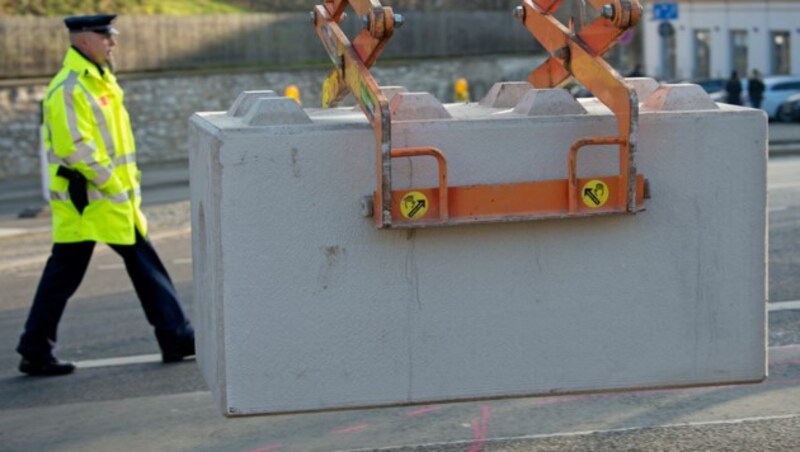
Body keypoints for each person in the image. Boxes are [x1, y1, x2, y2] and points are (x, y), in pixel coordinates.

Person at [16, 14, 195, 376]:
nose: (112, 43)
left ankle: (35, 347)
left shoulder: (99, 80)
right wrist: (111, 182)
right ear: (84, 41)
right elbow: (73, 147)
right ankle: (176, 335)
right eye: (106, 37)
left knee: (71, 274)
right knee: (138, 265)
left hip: (105, 200)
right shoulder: (69, 86)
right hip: (90, 201)